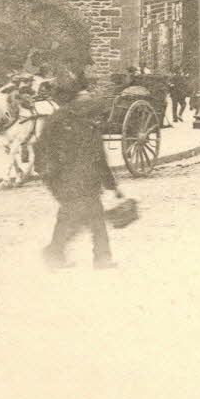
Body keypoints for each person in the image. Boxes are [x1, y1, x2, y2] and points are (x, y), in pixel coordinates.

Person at [37, 84, 123, 269]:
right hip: (74, 180)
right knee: (91, 218)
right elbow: (98, 156)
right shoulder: (78, 123)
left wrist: (49, 178)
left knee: (72, 216)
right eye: (82, 98)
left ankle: (56, 254)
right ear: (73, 102)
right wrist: (112, 185)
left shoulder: (58, 121)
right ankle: (100, 258)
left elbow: (41, 151)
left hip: (71, 181)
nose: (87, 103)